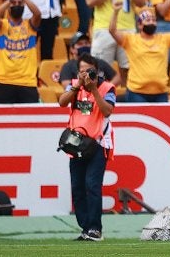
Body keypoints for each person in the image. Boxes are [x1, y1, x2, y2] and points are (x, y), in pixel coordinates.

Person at [58, 54, 115, 242]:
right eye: (81, 70)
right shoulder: (74, 85)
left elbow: (107, 110)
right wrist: (77, 86)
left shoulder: (107, 88)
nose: (84, 73)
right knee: (78, 188)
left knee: (92, 185)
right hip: (76, 144)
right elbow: (62, 102)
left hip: (98, 144)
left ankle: (95, 229)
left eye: (88, 70)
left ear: (96, 70)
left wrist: (94, 90)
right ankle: (85, 228)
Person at [110, 7, 170, 102]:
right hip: (137, 92)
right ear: (140, 25)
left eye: (154, 20)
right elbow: (113, 31)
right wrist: (116, 12)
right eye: (148, 20)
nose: (152, 22)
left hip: (161, 93)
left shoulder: (164, 39)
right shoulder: (130, 40)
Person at [0, 0, 42, 104]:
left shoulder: (30, 25)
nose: (17, 5)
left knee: (29, 120)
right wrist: (9, 1)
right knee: (3, 120)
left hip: (27, 81)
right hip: (4, 80)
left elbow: (38, 14)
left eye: (20, 4)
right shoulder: (2, 25)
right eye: (14, 4)